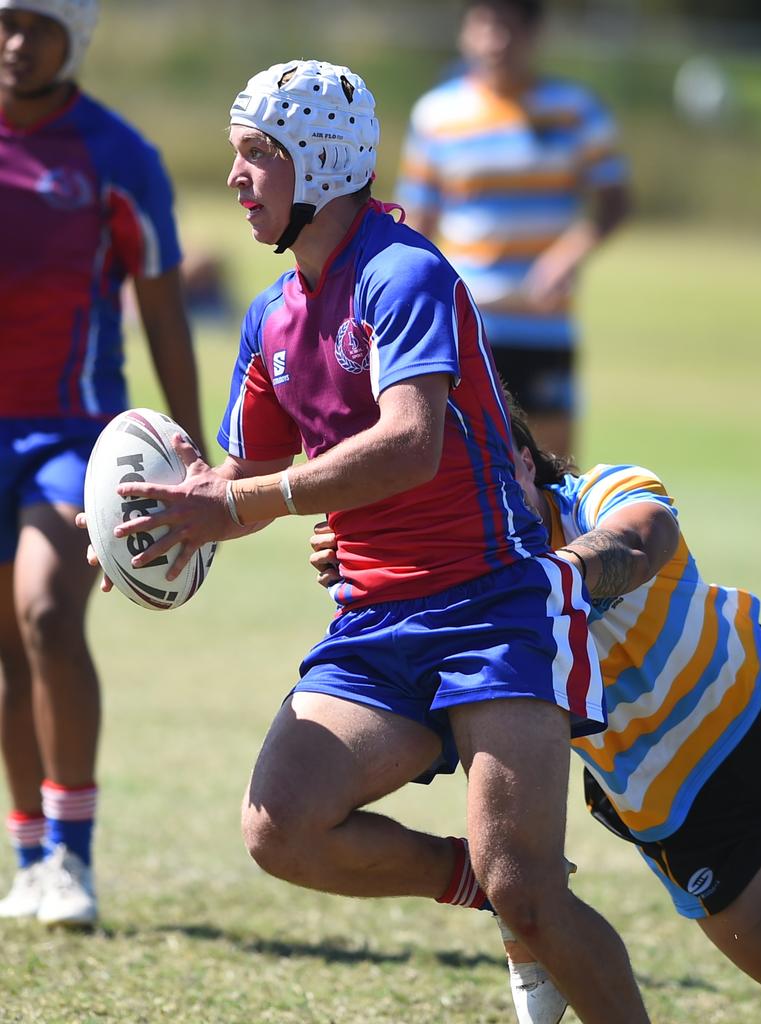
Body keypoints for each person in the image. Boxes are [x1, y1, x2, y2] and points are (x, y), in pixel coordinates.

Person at [91, 58, 651, 1022]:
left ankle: (524, 902)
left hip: (493, 604)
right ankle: (491, 891)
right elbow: (239, 473)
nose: (234, 180)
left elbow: (409, 446)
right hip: (375, 620)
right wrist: (140, 514)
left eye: (255, 157)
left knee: (535, 887)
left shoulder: (403, 272)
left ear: (318, 161)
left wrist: (246, 504)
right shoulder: (271, 318)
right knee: (282, 830)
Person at [311, 404, 761, 1022]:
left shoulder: (600, 494)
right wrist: (381, 571)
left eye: (486, 480)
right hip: (683, 810)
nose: (475, 508)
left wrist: (545, 580)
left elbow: (639, 540)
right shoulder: (465, 604)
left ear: (526, 462)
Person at [0, 0, 205, 926]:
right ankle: (32, 856)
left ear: (74, 37)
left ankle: (73, 861)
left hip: (72, 433)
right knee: (6, 651)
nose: (13, 42)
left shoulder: (116, 157)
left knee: (46, 611)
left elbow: (164, 311)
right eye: (2, 21)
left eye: (35, 25)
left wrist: (205, 472)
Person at [396, 0, 630, 458]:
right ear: (465, 32)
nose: (494, 41)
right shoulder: (436, 115)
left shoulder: (575, 110)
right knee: (461, 467)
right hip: (466, 323)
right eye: (483, 26)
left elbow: (615, 201)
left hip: (543, 323)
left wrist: (569, 255)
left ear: (534, 34)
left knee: (552, 469)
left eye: (508, 27)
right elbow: (418, 223)